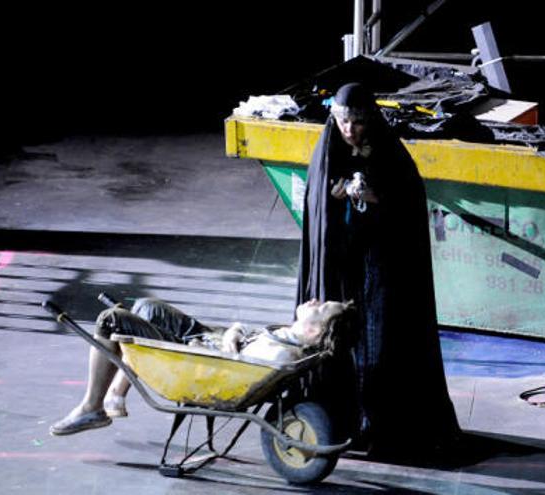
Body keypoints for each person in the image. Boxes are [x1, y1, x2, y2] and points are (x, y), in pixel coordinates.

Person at [296, 82, 460, 457]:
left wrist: (376, 198)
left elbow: (408, 202)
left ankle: (379, 425)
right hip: (344, 263)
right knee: (344, 340)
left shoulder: (390, 153)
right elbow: (318, 206)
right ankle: (345, 418)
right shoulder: (328, 151)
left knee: (381, 341)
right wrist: (335, 201)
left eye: (356, 122)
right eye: (342, 121)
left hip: (383, 263)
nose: (349, 130)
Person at [50, 297, 350, 436]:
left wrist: (231, 341)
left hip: (197, 358)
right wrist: (234, 333)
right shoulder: (289, 336)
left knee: (110, 319)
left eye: (321, 308)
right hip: (208, 339)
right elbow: (243, 334)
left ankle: (93, 406)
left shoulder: (282, 355)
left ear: (315, 333)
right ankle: (116, 392)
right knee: (146, 307)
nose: (314, 301)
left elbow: (238, 366)